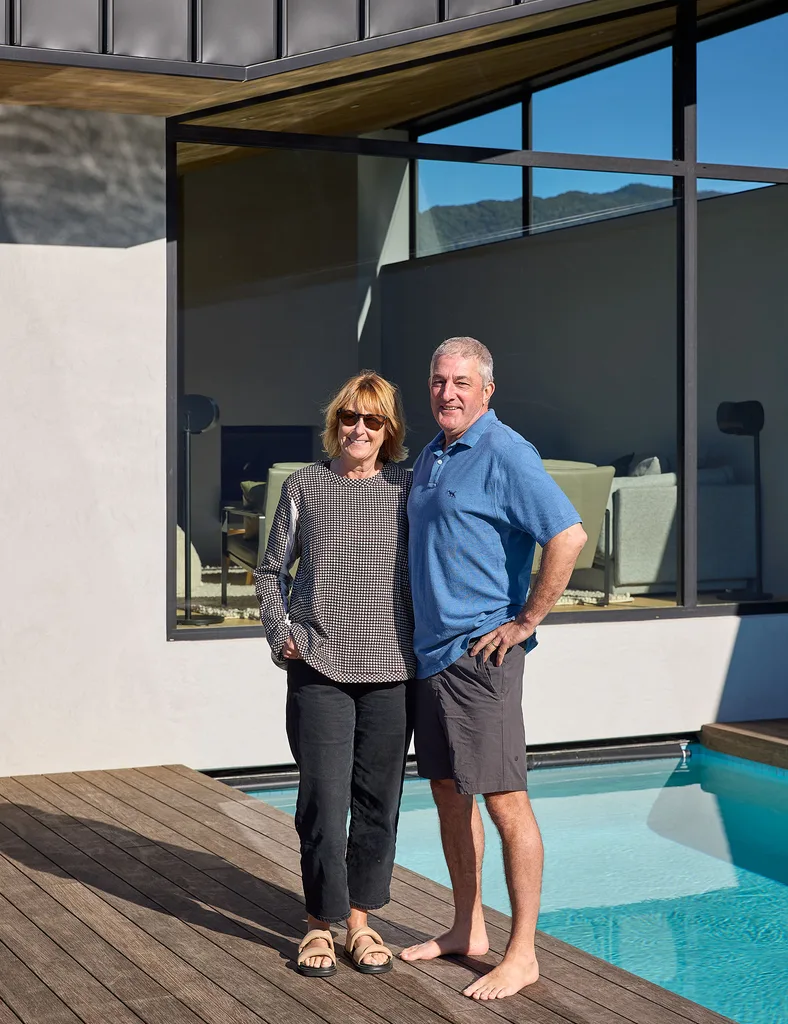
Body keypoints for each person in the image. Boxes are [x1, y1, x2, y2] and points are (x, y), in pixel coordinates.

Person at [402, 337, 587, 1001]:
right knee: (449, 795)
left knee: (505, 801)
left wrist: (527, 620)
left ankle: (523, 953)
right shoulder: (433, 452)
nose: (447, 393)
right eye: (438, 381)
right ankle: (467, 928)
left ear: (486, 390)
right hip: (431, 656)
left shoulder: (506, 452)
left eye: (461, 382)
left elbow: (567, 535)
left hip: (481, 661)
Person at [255, 371, 414, 979]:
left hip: (391, 668)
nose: (359, 429)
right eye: (350, 417)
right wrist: (280, 634)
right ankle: (318, 924)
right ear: (336, 422)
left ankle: (360, 923)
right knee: (323, 799)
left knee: (378, 802)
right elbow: (270, 572)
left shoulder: (406, 487)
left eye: (373, 420)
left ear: (388, 430)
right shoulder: (305, 485)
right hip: (319, 664)